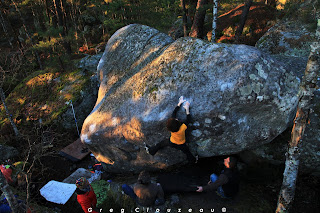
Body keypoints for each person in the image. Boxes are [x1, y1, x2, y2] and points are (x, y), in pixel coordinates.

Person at [145, 96, 197, 163]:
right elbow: (189, 119)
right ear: (178, 123)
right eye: (176, 120)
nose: (176, 118)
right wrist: (187, 108)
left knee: (160, 144)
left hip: (172, 142)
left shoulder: (171, 128)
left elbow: (174, 114)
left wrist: (179, 103)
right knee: (187, 152)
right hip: (182, 144)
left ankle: (150, 151)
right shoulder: (183, 128)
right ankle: (193, 160)